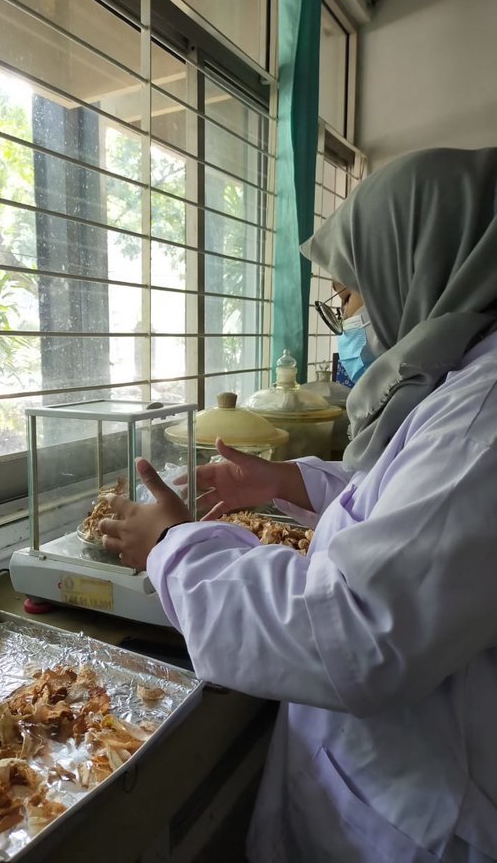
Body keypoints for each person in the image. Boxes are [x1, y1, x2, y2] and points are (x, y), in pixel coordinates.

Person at [99, 147, 497, 862]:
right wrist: (290, 484)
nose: (345, 318)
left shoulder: (487, 409)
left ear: (415, 262)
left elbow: (355, 626)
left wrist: (172, 548)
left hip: (422, 804)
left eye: (347, 294)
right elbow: (414, 503)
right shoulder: (465, 379)